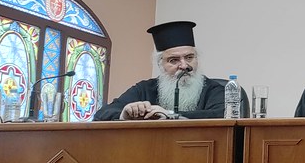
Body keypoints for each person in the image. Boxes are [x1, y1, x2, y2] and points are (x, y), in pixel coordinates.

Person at [94, 20, 225, 121]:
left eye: (189, 57)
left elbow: (223, 114)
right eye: (174, 60)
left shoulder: (214, 90)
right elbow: (102, 114)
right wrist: (124, 114)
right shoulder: (144, 89)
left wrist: (168, 115)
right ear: (161, 64)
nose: (184, 65)